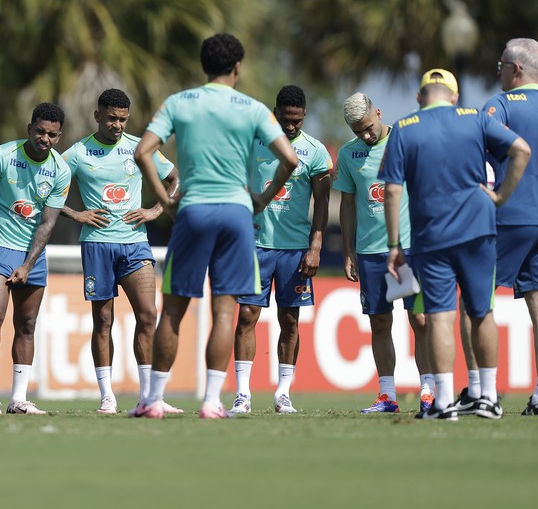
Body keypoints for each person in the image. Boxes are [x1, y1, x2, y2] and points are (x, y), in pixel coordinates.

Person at [133, 33, 298, 419]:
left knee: (173, 310)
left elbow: (143, 151)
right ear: (237, 67)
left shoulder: (180, 102)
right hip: (237, 212)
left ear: (203, 66)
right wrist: (261, 199)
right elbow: (289, 159)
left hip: (194, 209)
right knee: (226, 311)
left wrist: (166, 203)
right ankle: (211, 401)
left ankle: (153, 400)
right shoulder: (253, 108)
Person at [381, 68, 530, 420]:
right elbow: (521, 150)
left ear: (420, 98)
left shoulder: (404, 128)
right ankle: (489, 398)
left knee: (440, 317)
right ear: (455, 96)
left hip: (432, 235)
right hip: (479, 229)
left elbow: (390, 189)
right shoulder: (476, 118)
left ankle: (444, 402)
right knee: (482, 313)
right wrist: (499, 196)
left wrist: (394, 245)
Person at [61, 89, 183, 415]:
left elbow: (175, 178)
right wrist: (76, 214)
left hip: (135, 242)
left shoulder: (138, 147)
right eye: (112, 118)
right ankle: (107, 397)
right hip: (97, 244)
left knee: (148, 315)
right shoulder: (78, 152)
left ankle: (149, 397)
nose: (117, 125)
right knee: (103, 320)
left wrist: (156, 210)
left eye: (123, 119)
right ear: (97, 115)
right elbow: (46, 188)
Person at [231, 85, 330, 414]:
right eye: (285, 119)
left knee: (290, 320)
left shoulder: (315, 152)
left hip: (295, 249)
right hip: (255, 244)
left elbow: (323, 202)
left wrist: (315, 246)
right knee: (247, 316)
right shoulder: (254, 141)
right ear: (275, 113)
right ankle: (242, 393)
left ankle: (283, 393)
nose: (290, 127)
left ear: (304, 116)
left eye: (297, 121)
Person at [334, 92, 434, 414]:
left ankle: (429, 392)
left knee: (419, 320)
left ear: (377, 112)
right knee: (379, 322)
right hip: (370, 253)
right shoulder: (349, 155)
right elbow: (347, 204)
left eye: (367, 127)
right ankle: (387, 395)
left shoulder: (403, 142)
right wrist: (348, 249)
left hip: (409, 248)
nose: (365, 135)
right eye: (357, 131)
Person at [0, 103, 71, 415]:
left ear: (59, 136)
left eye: (52, 134)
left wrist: (28, 264)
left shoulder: (61, 170)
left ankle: (18, 399)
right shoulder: (2, 156)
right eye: (40, 131)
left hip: (33, 254)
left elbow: (48, 222)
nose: (45, 138)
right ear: (29, 128)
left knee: (27, 323)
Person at [483, 39, 538, 417]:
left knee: (477, 301)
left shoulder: (501, 104)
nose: (499, 70)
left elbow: (477, 153)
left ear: (518, 70)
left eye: (502, 64)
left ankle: (484, 391)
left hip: (509, 216)